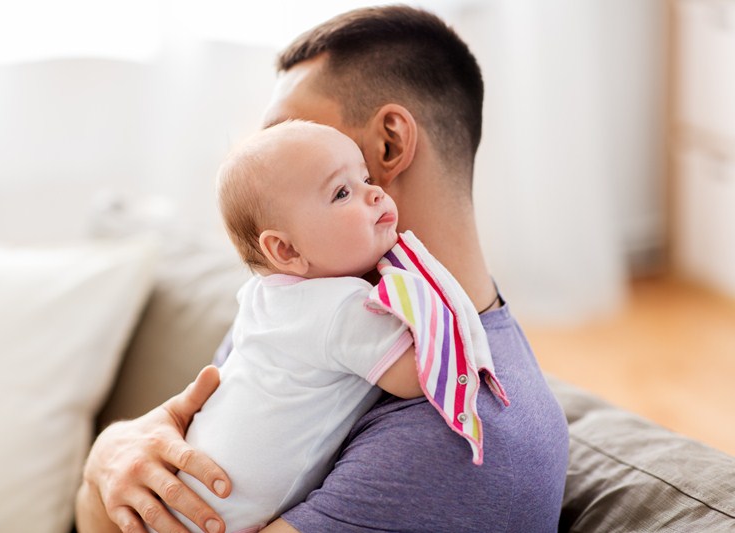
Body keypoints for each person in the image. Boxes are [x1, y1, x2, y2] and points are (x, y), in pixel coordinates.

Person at [75, 6, 570, 533]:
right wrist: (107, 457)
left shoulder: (455, 436)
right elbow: (124, 495)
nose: (264, 160)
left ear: (389, 145)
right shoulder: (290, 295)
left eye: (292, 132)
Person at [160, 119, 424, 532]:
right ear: (285, 248)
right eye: (342, 192)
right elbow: (418, 378)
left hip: (180, 498)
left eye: (366, 177)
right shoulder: (343, 307)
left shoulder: (260, 295)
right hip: (223, 515)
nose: (375, 193)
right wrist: (421, 293)